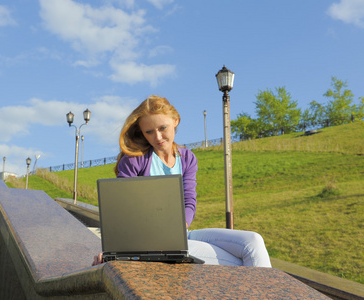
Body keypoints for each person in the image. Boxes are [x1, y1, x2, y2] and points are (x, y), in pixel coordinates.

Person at [92, 95, 271, 267]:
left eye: (162, 128)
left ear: (175, 121)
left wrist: (176, 233)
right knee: (240, 262)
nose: (158, 137)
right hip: (149, 245)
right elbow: (121, 210)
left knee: (253, 242)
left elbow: (189, 201)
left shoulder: (187, 158)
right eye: (149, 132)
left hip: (182, 236)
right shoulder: (134, 160)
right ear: (142, 133)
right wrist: (114, 251)